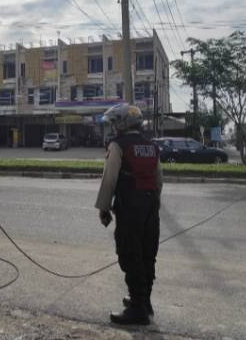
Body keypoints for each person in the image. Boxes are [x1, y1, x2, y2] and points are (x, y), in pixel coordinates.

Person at [95, 103, 163, 326]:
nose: (113, 127)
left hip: (130, 206)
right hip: (151, 205)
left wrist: (104, 208)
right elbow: (158, 180)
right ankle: (144, 301)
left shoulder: (118, 145)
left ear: (122, 123)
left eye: (114, 122)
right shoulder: (151, 146)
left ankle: (137, 309)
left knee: (129, 253)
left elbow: (110, 179)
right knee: (147, 253)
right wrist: (153, 205)